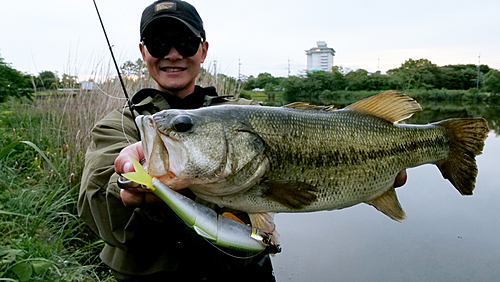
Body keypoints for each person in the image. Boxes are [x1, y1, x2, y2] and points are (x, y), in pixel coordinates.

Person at [78, 1, 407, 281]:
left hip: (242, 273)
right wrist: (127, 186)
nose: (174, 54)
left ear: (203, 49)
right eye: (158, 43)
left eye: (186, 42)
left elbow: (305, 149)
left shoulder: (249, 115)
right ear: (143, 51)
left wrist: (372, 170)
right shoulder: (118, 126)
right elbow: (95, 203)